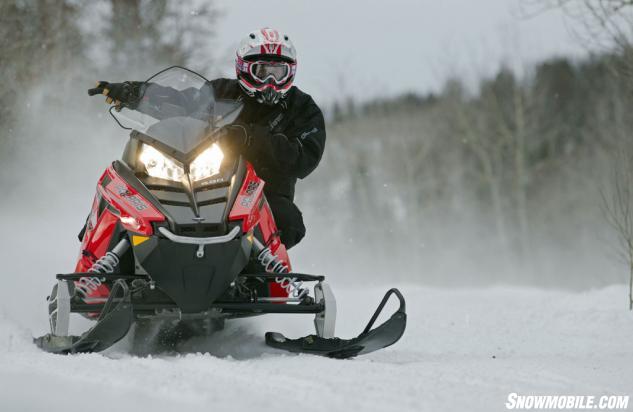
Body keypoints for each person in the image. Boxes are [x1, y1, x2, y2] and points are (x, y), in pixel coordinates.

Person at [89, 28, 326, 249]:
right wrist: (135, 94)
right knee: (125, 188)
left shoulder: (303, 108)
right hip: (202, 181)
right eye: (262, 72)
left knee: (288, 221)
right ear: (244, 68)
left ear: (291, 72)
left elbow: (305, 158)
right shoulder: (223, 92)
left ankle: (263, 274)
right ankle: (98, 254)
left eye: (278, 73)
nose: (270, 83)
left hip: (262, 190)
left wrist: (250, 138)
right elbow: (182, 101)